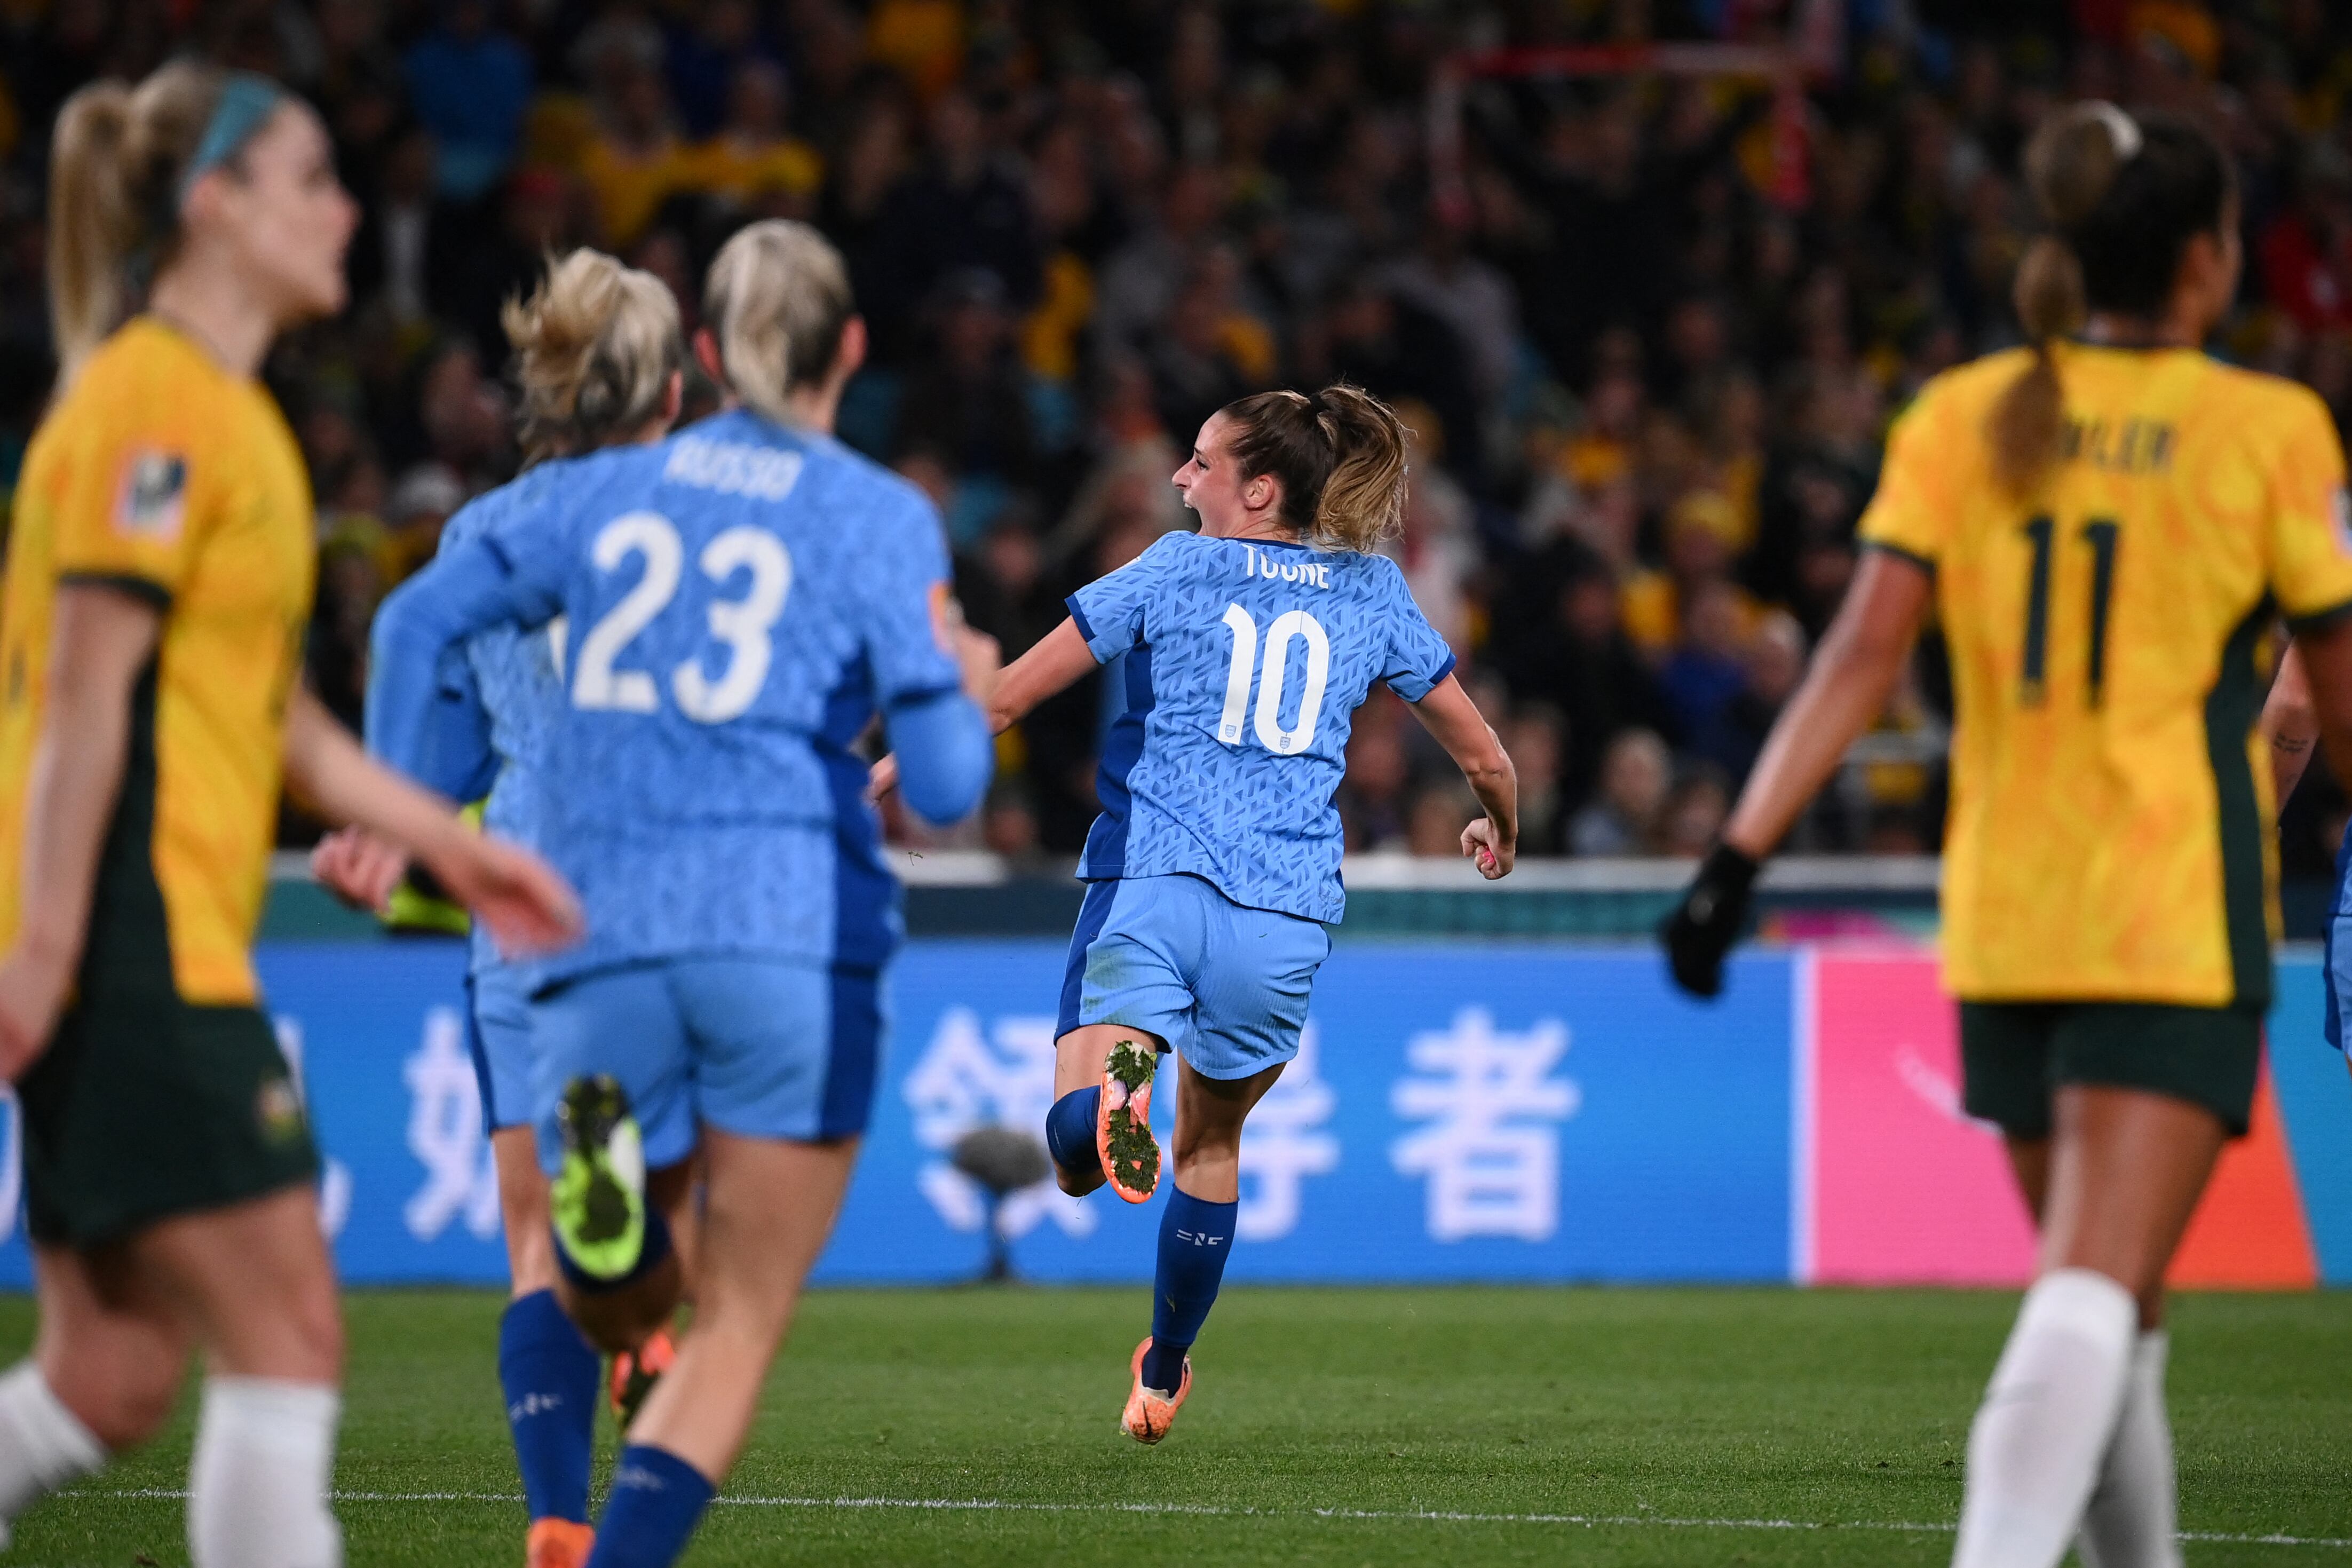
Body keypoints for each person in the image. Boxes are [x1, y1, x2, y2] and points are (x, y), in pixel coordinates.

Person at [1660, 103, 2352, 1568]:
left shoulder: (1959, 416)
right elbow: (2328, 705)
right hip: (2173, 906)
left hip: (2008, 914)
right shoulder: (2267, 431)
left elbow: (1856, 656)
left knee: (2114, 1303)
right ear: (2209, 264)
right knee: (2100, 1283)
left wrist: (1735, 857)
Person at [0, 65, 579, 1567]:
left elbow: (283, 722)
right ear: (215, 207)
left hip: (138, 931)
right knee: (290, 1324)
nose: (344, 208)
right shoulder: (157, 403)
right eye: (311, 179)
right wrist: (49, 950)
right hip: (122, 936)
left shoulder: (232, 419)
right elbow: (80, 695)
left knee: (109, 1377)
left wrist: (454, 843)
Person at [365, 219, 997, 1568]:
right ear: (852, 352)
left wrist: (404, 813)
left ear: (707, 356)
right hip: (781, 922)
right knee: (739, 1309)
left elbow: (414, 625)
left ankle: (604, 1308)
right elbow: (942, 782)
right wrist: (954, 665)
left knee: (576, 1249)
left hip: (573, 919)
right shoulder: (870, 511)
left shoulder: (572, 507)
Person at [882, 384, 1517, 1445]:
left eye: (1200, 463)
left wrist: (881, 778)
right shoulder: (1371, 592)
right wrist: (1497, 825)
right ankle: (1164, 1367)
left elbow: (1002, 700)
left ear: (1256, 490)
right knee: (1211, 1146)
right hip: (1282, 922)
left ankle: (1107, 1111)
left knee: (1078, 1149)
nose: (1179, 479)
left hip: (1159, 883)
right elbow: (1485, 755)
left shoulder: (1172, 568)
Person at [312, 246, 685, 1568]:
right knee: (693, 1193)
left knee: (534, 1229)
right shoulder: (723, 516)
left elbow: (448, 747)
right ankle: (647, 1289)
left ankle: (556, 1511)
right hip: (685, 887)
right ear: (672, 387)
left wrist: (376, 821)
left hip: (525, 895)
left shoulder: (480, 536)